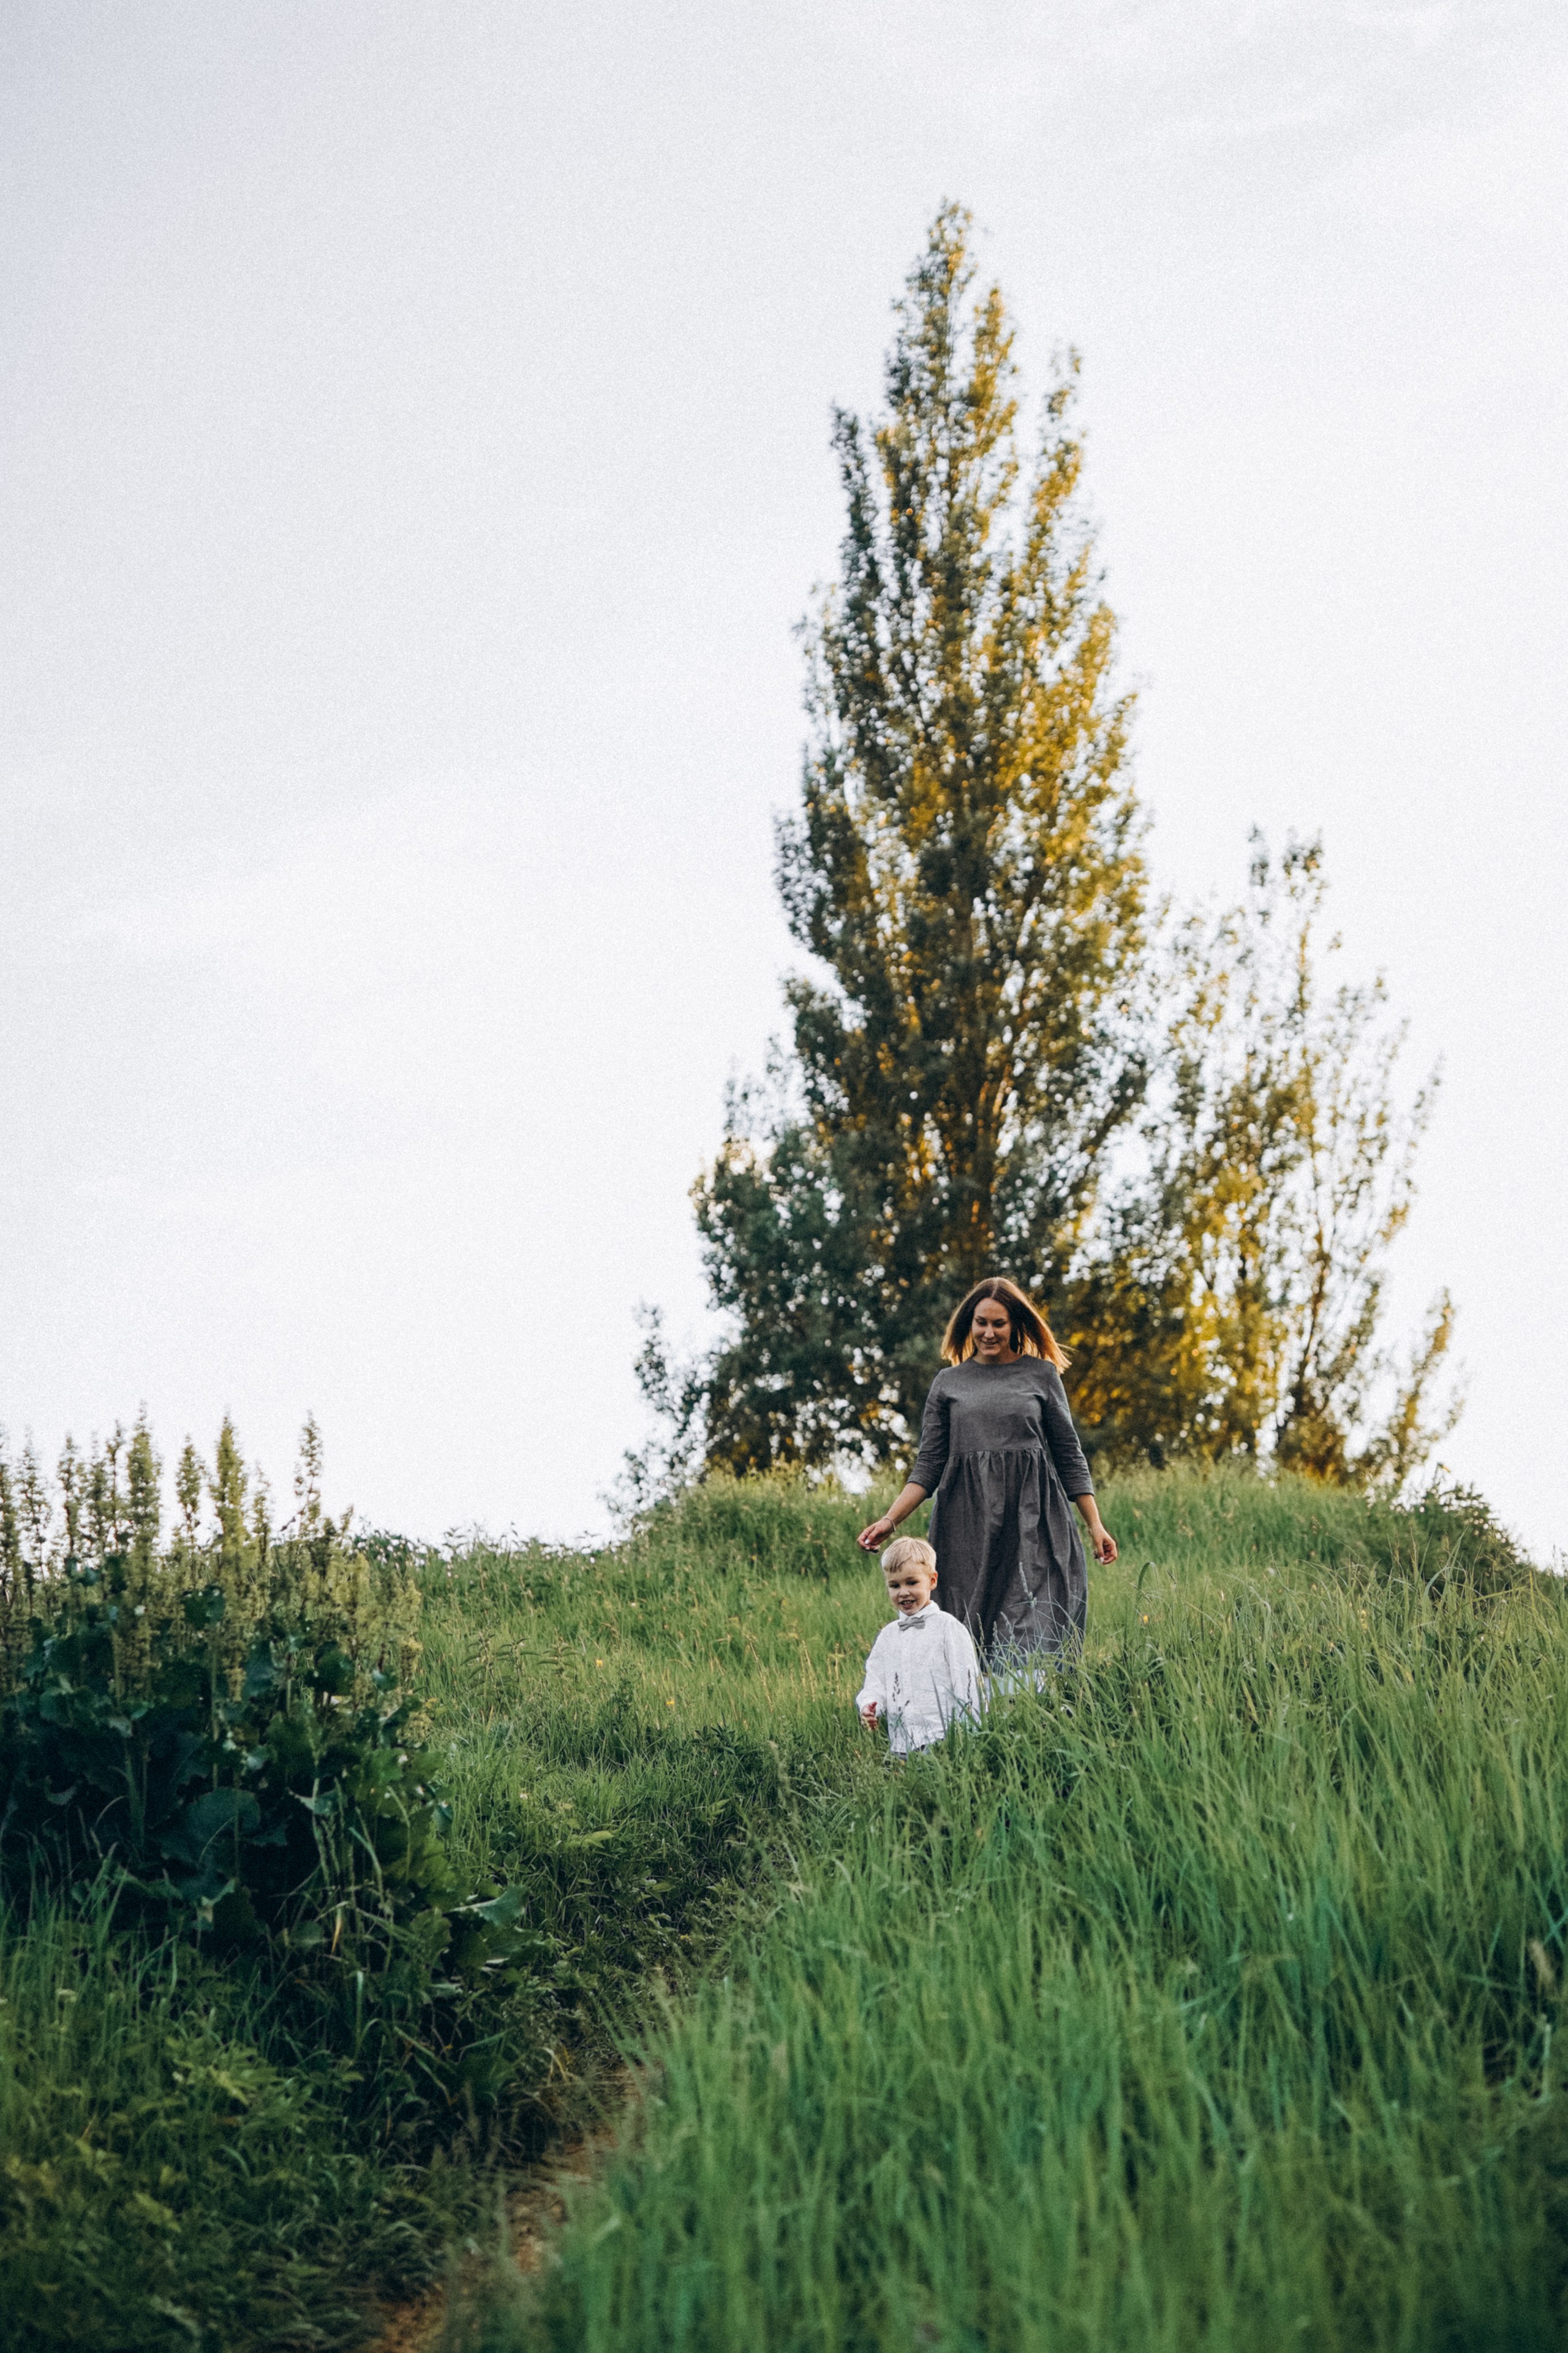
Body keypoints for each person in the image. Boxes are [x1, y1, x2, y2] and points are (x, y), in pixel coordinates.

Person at [858, 1277, 1116, 1671]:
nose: (989, 1333)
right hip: (967, 1521)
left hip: (1034, 1517)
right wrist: (890, 1521)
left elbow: (1069, 1456)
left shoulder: (1042, 1375)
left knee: (1037, 1614)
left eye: (999, 1323)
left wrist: (1095, 1525)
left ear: (1015, 1326)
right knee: (967, 1623)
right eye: (981, 1323)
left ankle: (1035, 1708)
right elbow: (928, 1466)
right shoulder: (949, 1383)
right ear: (969, 1324)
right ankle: (973, 1715)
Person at [856, 1536, 983, 1756]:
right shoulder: (888, 1637)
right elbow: (876, 1680)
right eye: (894, 1585)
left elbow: (967, 1684)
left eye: (912, 1583)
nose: (903, 1592)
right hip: (901, 1743)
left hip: (943, 1739)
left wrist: (969, 1735)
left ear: (932, 1581)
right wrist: (869, 1705)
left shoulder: (948, 1628)